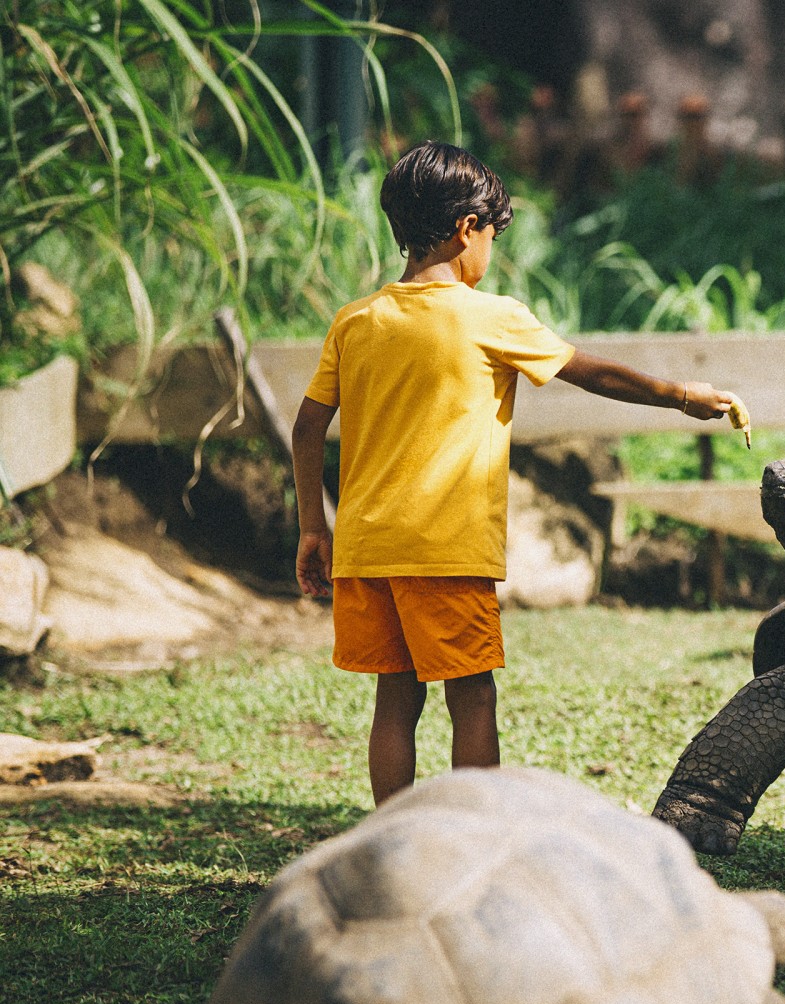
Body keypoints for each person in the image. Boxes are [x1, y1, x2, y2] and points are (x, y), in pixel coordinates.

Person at [292, 140, 741, 805]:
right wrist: (679, 394)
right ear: (466, 227)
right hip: (445, 550)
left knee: (396, 696)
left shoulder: (356, 321)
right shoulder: (492, 318)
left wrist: (312, 528)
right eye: (492, 236)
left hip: (367, 547)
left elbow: (306, 430)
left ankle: (391, 834)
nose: (490, 252)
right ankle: (478, 829)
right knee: (471, 696)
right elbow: (595, 374)